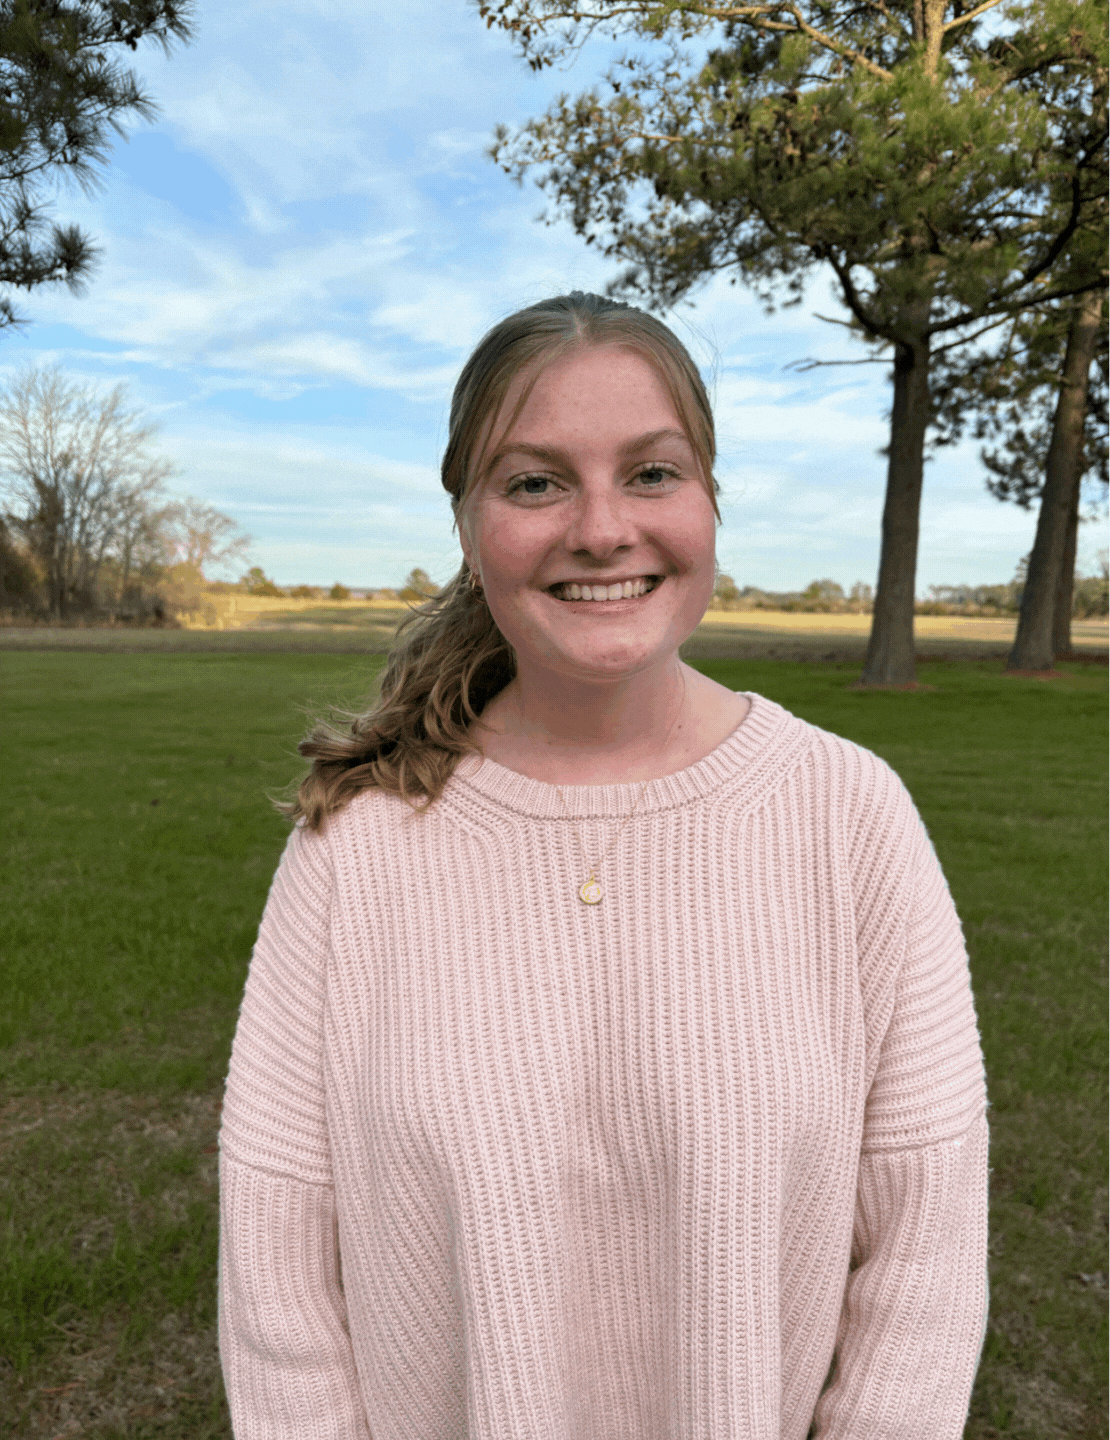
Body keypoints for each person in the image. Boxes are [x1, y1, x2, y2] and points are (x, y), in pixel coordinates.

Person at [217, 292, 989, 1439]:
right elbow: (281, 1279)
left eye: (652, 472)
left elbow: (922, 1263)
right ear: (471, 526)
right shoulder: (359, 844)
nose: (600, 527)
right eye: (534, 482)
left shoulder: (847, 816)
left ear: (710, 500)